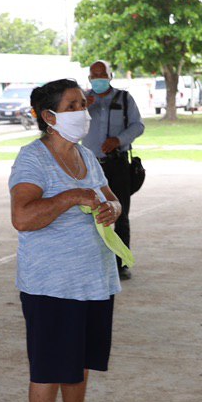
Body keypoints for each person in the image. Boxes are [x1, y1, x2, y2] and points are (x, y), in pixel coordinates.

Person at [10, 78, 124, 402]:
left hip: (93, 279)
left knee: (79, 362)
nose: (84, 111)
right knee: (49, 367)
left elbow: (110, 196)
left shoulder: (85, 155)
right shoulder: (33, 160)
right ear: (49, 116)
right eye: (74, 105)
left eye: (83, 103)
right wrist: (70, 198)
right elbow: (22, 217)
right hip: (52, 285)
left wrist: (111, 207)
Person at [82, 60, 144, 280]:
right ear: (89, 78)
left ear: (110, 76)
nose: (98, 79)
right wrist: (82, 107)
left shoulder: (124, 99)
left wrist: (118, 140)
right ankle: (94, 262)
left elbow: (138, 126)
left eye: (102, 74)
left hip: (117, 164)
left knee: (120, 212)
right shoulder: (81, 100)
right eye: (94, 75)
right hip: (88, 165)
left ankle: (121, 264)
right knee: (89, 214)